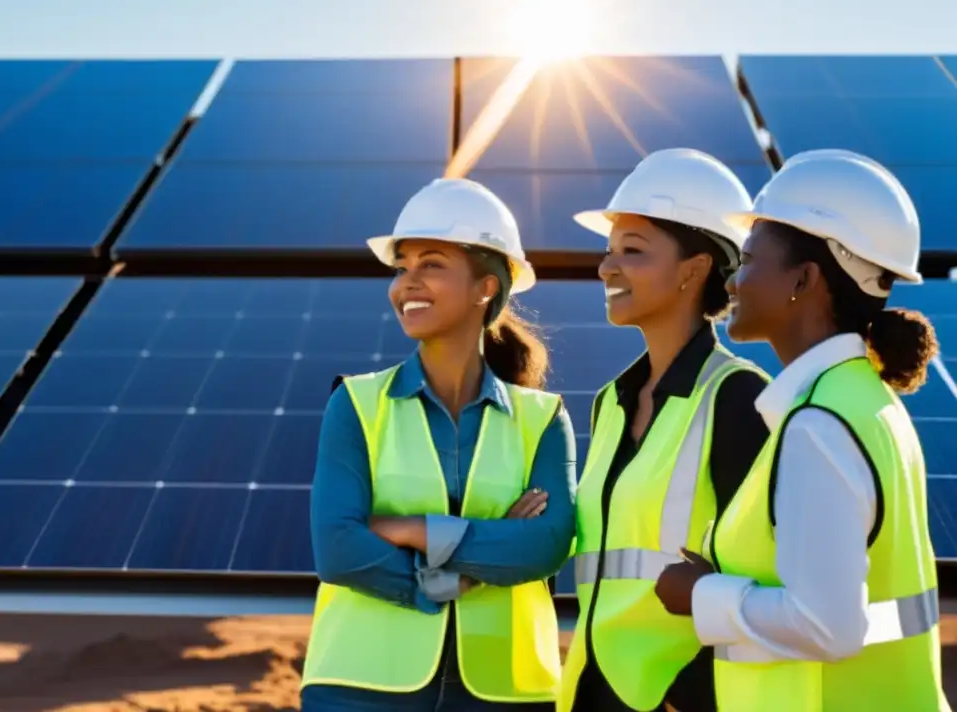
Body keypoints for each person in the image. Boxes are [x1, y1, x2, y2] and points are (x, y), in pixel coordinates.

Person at [655, 149, 949, 711]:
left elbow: (827, 626)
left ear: (804, 279)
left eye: (747, 260)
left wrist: (700, 595)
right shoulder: (863, 399)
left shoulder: (819, 424)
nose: (732, 280)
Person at [301, 177, 577, 711]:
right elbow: (337, 550)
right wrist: (464, 573)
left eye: (431, 264)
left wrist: (413, 530)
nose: (406, 283)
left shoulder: (544, 419)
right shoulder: (355, 404)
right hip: (361, 690)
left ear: (487, 286)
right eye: (402, 267)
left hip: (506, 691)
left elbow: (545, 545)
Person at [559, 148, 771, 712]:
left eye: (633, 252)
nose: (607, 268)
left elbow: (763, 579)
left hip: (685, 695)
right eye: (609, 251)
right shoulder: (609, 403)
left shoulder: (739, 398)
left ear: (695, 268)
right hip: (592, 689)